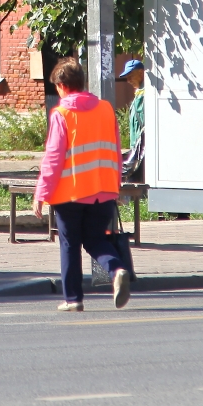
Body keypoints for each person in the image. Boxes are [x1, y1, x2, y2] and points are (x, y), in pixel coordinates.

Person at [34, 58, 131, 311]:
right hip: (104, 190)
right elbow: (116, 150)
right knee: (95, 240)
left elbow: (54, 157)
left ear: (62, 86)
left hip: (71, 193)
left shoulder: (61, 114)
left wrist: (41, 194)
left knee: (70, 245)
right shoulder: (106, 109)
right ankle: (116, 269)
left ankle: (73, 299)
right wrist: (115, 185)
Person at [117, 59, 145, 182]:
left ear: (141, 73)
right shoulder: (139, 94)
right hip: (138, 148)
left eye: (130, 76)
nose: (128, 80)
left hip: (143, 149)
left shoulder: (145, 95)